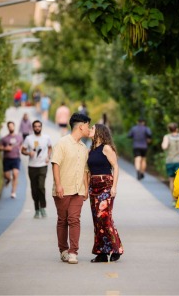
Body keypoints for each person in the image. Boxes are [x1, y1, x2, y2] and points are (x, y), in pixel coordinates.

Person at [51, 113, 91, 264]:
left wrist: (86, 188)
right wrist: (59, 185)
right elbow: (56, 164)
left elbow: (86, 170)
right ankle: (63, 250)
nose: (88, 129)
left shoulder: (83, 148)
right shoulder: (62, 143)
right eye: (87, 126)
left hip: (78, 190)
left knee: (74, 219)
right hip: (63, 188)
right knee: (63, 220)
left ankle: (73, 252)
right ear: (81, 126)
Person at [87, 124, 124, 263]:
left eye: (92, 128)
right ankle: (101, 253)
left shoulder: (106, 148)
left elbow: (115, 166)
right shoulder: (91, 149)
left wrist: (114, 187)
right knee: (97, 221)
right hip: (93, 186)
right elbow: (89, 170)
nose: (90, 130)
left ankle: (115, 249)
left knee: (105, 218)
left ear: (100, 132)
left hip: (106, 185)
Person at [21, 120, 53, 219]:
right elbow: (23, 150)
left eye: (39, 126)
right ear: (33, 127)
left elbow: (50, 148)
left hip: (43, 166)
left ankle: (42, 207)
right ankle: (36, 209)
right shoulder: (28, 138)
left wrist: (48, 157)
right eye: (35, 126)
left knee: (41, 187)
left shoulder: (46, 138)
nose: (37, 128)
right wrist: (28, 153)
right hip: (32, 167)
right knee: (34, 189)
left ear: (41, 127)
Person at [162, 122, 179, 203]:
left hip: (170, 161)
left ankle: (174, 199)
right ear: (177, 129)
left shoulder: (167, 137)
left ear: (169, 129)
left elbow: (164, 146)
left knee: (172, 180)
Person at [0, 121, 23, 198]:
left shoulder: (19, 137)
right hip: (7, 159)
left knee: (15, 174)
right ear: (8, 128)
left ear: (14, 127)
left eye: (12, 126)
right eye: (9, 126)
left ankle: (13, 192)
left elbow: (22, 145)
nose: (11, 127)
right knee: (7, 176)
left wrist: (21, 149)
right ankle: (8, 179)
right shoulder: (4, 139)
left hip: (16, 158)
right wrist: (5, 148)